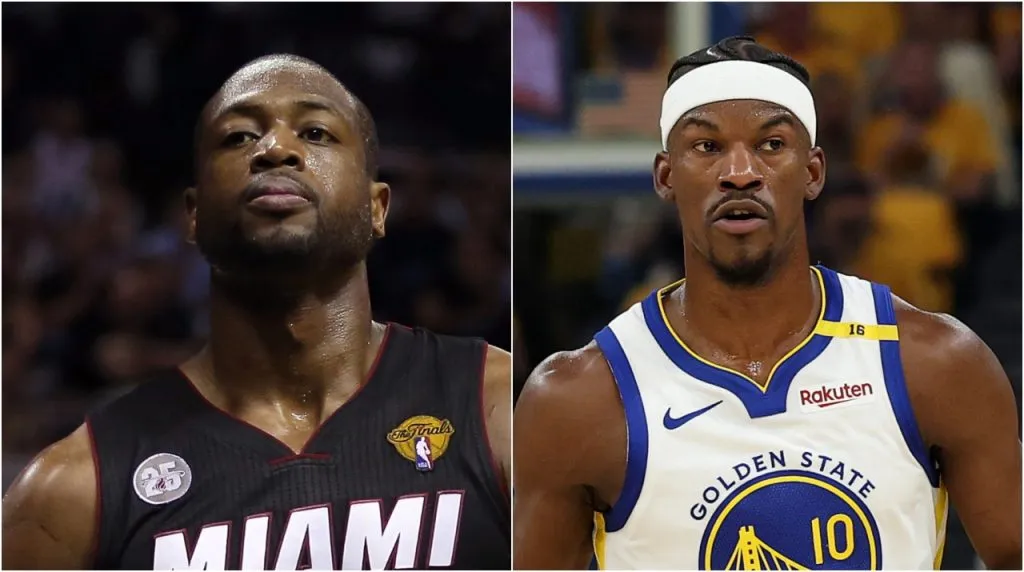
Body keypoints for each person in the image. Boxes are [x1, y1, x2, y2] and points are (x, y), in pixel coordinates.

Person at [513, 37, 1021, 570]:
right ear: (666, 176)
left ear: (813, 172)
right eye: (707, 147)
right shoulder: (579, 399)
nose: (740, 172)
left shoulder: (935, 361)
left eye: (771, 144)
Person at [3, 54, 511, 570]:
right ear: (193, 214)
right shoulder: (71, 490)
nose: (276, 149)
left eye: (315, 132)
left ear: (376, 207)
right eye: (239, 137)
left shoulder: (500, 409)